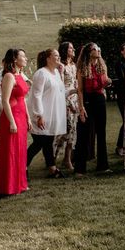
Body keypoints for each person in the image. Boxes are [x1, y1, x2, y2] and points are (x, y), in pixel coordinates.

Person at [0, 49, 31, 195]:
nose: (26, 58)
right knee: (11, 150)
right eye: (23, 56)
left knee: (20, 150)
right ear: (15, 59)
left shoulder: (20, 74)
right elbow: (5, 100)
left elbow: (23, 99)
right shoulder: (9, 76)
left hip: (21, 115)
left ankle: (20, 183)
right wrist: (12, 122)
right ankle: (9, 186)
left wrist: (28, 117)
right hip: (12, 116)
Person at [27, 49, 68, 179]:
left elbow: (60, 92)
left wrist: (74, 90)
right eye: (56, 55)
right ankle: (22, 166)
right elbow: (36, 95)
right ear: (48, 58)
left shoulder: (56, 72)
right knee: (39, 142)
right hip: (41, 115)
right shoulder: (41, 73)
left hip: (51, 114)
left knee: (47, 141)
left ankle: (52, 169)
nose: (59, 57)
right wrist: (39, 115)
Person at [74, 43, 112, 177]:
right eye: (95, 49)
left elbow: (105, 82)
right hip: (87, 100)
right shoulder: (82, 68)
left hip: (100, 100)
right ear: (89, 52)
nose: (98, 51)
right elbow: (80, 90)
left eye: (99, 48)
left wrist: (108, 82)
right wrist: (81, 107)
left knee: (101, 133)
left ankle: (103, 165)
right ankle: (80, 168)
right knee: (84, 134)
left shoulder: (102, 65)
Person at [53, 42, 79, 171]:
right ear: (64, 50)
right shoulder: (60, 66)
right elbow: (60, 87)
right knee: (64, 130)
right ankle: (52, 158)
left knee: (73, 131)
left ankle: (67, 159)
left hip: (75, 99)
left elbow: (76, 82)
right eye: (70, 47)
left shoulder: (73, 65)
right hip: (65, 99)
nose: (73, 49)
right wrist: (69, 103)